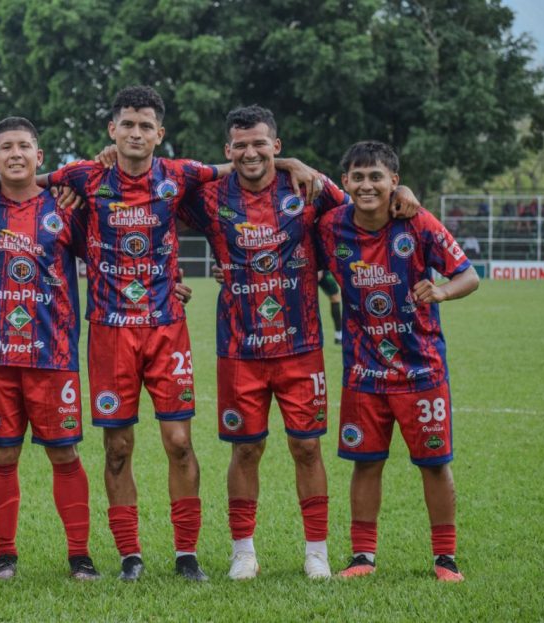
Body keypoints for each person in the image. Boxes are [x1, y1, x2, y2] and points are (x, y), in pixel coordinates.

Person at [40, 87, 320, 581]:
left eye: (145, 126)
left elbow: (243, 163)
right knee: (117, 448)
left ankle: (185, 554)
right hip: (108, 332)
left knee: (179, 443)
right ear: (112, 130)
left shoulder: (180, 175)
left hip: (167, 328)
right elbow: (24, 179)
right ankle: (130, 556)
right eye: (128, 125)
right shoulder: (85, 176)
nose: (136, 133)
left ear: (159, 134)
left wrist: (290, 160)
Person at [181, 106, 419, 580]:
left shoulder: (309, 188)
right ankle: (243, 551)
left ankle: (317, 552)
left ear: (277, 145)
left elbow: (367, 202)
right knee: (245, 450)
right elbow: (151, 206)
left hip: (301, 345)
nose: (251, 152)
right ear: (228, 150)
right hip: (240, 348)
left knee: (307, 447)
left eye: (260, 143)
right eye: (241, 145)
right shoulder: (209, 196)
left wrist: (404, 191)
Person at [317, 141, 479, 582]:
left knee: (434, 463)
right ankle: (362, 557)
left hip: (422, 369)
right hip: (363, 371)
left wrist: (441, 291)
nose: (367, 185)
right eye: (358, 177)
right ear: (346, 181)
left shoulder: (417, 222)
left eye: (377, 177)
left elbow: (468, 275)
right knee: (366, 462)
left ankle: (445, 558)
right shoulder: (331, 226)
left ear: (393, 181)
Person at [0, 117, 99, 581]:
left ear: (39, 157)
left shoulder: (66, 206)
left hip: (53, 354)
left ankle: (80, 557)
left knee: (65, 455)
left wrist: (170, 281)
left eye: (24, 146)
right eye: (6, 148)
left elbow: (109, 259)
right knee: (2, 456)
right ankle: (5, 555)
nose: (15, 154)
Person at [318, 270, 343, 345]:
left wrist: (320, 269)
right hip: (303, 269)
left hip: (321, 270)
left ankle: (339, 335)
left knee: (335, 297)